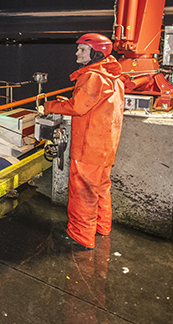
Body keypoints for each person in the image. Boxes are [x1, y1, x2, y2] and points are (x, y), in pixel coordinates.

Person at [44, 33, 125, 250]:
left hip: (89, 145)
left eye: (82, 49)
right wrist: (70, 101)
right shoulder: (113, 77)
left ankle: (80, 235)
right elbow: (91, 103)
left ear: (96, 53)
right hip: (106, 145)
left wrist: (50, 106)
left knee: (82, 190)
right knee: (100, 188)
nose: (77, 53)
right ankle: (102, 227)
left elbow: (78, 107)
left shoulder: (93, 77)